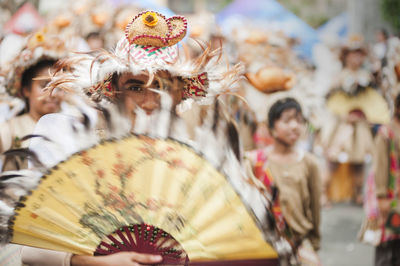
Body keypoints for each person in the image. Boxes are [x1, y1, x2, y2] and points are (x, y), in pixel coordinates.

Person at [246, 97, 321, 262]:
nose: (295, 126)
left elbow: (315, 206)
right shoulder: (253, 161)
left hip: (299, 244)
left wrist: (314, 242)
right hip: (263, 245)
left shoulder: (309, 163)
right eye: (287, 120)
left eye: (299, 120)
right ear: (272, 127)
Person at [369, 93, 400, 266]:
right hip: (390, 195)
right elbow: (380, 165)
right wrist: (381, 197)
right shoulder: (386, 132)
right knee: (387, 241)